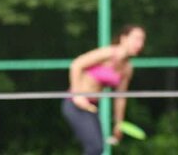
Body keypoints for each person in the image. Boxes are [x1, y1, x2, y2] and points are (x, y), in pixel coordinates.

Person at [61, 25, 146, 155]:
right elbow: (76, 65)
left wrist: (119, 123)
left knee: (99, 148)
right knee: (95, 148)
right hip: (74, 104)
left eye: (142, 40)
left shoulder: (127, 68)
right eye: (136, 39)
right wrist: (77, 96)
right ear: (123, 39)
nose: (140, 44)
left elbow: (120, 97)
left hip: (92, 106)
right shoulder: (107, 53)